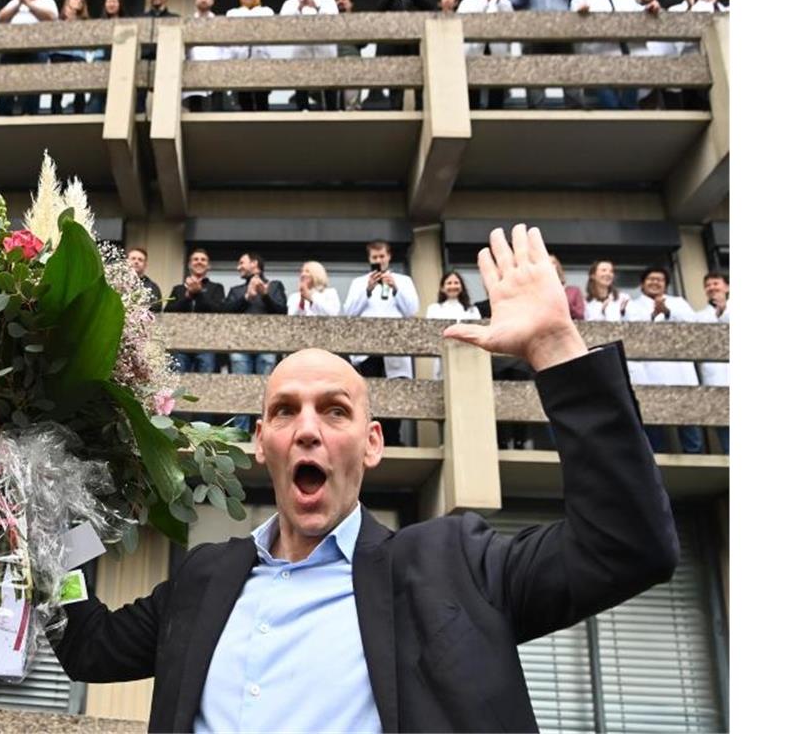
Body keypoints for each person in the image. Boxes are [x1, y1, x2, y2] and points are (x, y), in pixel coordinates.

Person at [50, 224, 679, 732]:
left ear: (372, 444)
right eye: (284, 411)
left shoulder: (454, 565)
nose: (306, 429)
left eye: (334, 410)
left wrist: (556, 350)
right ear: (262, 443)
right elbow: (90, 644)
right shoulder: (202, 576)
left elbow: (626, 547)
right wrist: (47, 518)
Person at [343, 240, 419, 447]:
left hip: (395, 349)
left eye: (381, 257)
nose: (378, 261)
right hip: (367, 351)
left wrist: (395, 289)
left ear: (388, 257)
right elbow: (349, 312)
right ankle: (368, 440)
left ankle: (393, 439)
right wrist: (367, 290)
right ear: (369, 259)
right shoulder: (359, 283)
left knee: (394, 396)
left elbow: (411, 310)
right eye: (374, 258)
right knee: (368, 397)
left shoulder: (403, 280)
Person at [625, 266, 704, 453]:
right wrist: (653, 315)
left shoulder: (679, 302)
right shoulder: (633, 305)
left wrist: (668, 312)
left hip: (680, 374)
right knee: (653, 431)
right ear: (642, 284)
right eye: (651, 279)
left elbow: (694, 326)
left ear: (666, 284)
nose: (655, 282)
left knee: (690, 427)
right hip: (649, 375)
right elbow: (632, 331)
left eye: (659, 280)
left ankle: (694, 460)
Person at [222, 253, 288, 433]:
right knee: (240, 389)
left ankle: (265, 431)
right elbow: (224, 313)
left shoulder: (274, 286)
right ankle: (239, 432)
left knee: (266, 390)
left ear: (255, 264)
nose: (238, 267)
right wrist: (247, 298)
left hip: (267, 346)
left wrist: (265, 295)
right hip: (240, 346)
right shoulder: (236, 290)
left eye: (241, 262)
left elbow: (282, 311)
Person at [508, 0, 583, 109]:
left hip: (562, 37)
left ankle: (574, 107)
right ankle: (536, 110)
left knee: (570, 76)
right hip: (533, 41)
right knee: (535, 83)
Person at [570, 0, 642, 110]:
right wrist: (581, 14)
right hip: (598, 60)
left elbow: (639, 12)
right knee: (611, 106)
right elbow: (574, 23)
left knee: (630, 106)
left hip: (628, 57)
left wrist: (651, 8)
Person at [370, 0, 435, 111]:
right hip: (395, 46)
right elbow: (378, 9)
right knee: (397, 80)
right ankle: (396, 107)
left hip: (414, 44)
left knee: (419, 77)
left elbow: (431, 7)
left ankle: (420, 107)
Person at [0, 0, 58, 116]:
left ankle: (29, 113)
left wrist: (29, 5)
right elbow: (0, 18)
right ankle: (4, 113)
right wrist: (19, 3)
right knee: (7, 81)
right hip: (12, 47)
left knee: (32, 82)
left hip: (36, 47)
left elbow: (50, 17)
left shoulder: (47, 1)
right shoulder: (13, 2)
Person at [280, 0, 339, 112]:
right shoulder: (290, 4)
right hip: (300, 53)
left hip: (325, 53)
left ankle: (332, 112)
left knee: (329, 87)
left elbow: (334, 23)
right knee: (301, 84)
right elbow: (281, 26)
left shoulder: (327, 1)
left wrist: (316, 8)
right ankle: (303, 109)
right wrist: (298, 9)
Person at [164, 248, 225, 376]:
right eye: (195, 259)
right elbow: (168, 312)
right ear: (189, 264)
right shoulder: (178, 289)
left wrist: (199, 294)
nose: (199, 262)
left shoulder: (217, 288)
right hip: (180, 341)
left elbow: (218, 311)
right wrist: (187, 296)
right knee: (177, 380)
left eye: (203, 260)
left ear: (208, 265)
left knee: (207, 380)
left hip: (207, 342)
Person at [458, 0, 513, 111]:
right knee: (472, 98)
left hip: (496, 53)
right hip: (473, 53)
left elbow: (509, 19)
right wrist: (488, 1)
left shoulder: (503, 2)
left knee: (496, 96)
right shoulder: (467, 2)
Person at [226, 0, 275, 112]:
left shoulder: (266, 11)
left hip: (262, 61)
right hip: (240, 61)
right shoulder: (232, 13)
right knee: (244, 99)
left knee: (262, 99)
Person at [695, 271, 729, 453]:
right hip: (715, 381)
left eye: (716, 283)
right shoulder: (699, 315)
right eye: (708, 285)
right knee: (726, 434)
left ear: (727, 286)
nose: (711, 287)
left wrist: (724, 311)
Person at [425, 271, 481, 380]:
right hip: (443, 354)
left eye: (456, 283)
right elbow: (431, 332)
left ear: (462, 286)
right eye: (449, 283)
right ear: (442, 288)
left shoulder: (472, 310)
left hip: (467, 354)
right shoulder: (434, 308)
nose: (453, 286)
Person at [183, 0, 227, 113]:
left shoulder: (219, 23)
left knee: (217, 115)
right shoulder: (188, 22)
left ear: (212, 0)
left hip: (216, 75)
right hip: (194, 76)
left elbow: (225, 50)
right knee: (196, 114)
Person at [49, 0, 91, 115]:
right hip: (60, 53)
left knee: (80, 85)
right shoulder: (57, 20)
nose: (78, 1)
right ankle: (56, 112)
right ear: (68, 0)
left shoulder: (85, 23)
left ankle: (79, 111)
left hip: (78, 54)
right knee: (57, 85)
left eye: (81, 0)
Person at [86, 0, 123, 114]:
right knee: (97, 94)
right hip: (101, 58)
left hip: (119, 60)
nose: (111, 4)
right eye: (109, 1)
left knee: (117, 94)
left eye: (114, 1)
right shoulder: (99, 23)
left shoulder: (126, 22)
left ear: (119, 5)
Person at [126, 247, 163, 314]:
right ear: (126, 261)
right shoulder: (116, 283)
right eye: (133, 258)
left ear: (145, 265)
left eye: (140, 260)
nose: (136, 262)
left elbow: (156, 307)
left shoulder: (153, 287)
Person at [550, 255, 585, 320]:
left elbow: (580, 315)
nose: (549, 266)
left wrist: (567, 303)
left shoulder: (574, 291)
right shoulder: (537, 292)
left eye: (552, 263)